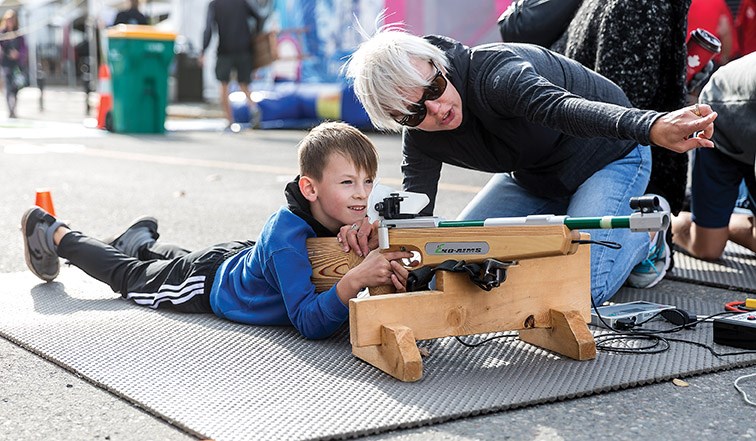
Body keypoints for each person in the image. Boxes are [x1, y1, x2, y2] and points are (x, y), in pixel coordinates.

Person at [342, 26, 717, 306]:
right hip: (533, 179)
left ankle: (648, 233)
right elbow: (417, 209)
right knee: (458, 257)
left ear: (439, 65)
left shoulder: (495, 74)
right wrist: (385, 237)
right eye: (414, 112)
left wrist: (650, 125)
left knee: (582, 290)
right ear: (397, 120)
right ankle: (577, 223)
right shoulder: (421, 136)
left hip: (608, 158)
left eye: (435, 88)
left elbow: (562, 109)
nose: (436, 110)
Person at [20, 121, 412, 340]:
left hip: (241, 256)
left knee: (176, 261)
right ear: (309, 188)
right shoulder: (285, 239)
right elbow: (308, 322)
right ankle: (54, 232)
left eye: (368, 182)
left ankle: (139, 241)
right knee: (132, 279)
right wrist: (354, 279)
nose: (361, 195)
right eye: (347, 183)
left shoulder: (352, 216)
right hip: (209, 284)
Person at [551, 0, 693, 273]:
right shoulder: (641, 6)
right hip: (602, 155)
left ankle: (646, 227)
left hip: (570, 154)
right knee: (583, 284)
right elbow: (626, 116)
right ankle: (650, 232)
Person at [672, 52, 756, 260]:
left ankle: (728, 215)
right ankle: (661, 219)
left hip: (749, 130)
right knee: (707, 249)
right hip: (722, 123)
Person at [200, 0, 264, 128]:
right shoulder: (242, 2)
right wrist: (255, 35)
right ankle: (253, 108)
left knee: (223, 85)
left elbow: (208, 28)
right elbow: (259, 17)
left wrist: (203, 50)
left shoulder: (215, 4)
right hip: (244, 48)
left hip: (225, 49)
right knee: (244, 84)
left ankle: (230, 120)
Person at [0, 9, 27, 119]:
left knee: (16, 87)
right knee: (8, 86)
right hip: (5, 64)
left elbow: (24, 48)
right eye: (8, 19)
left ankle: (14, 108)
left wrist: (18, 54)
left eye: (12, 19)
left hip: (16, 65)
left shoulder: (18, 33)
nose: (10, 22)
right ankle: (10, 110)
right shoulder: (2, 33)